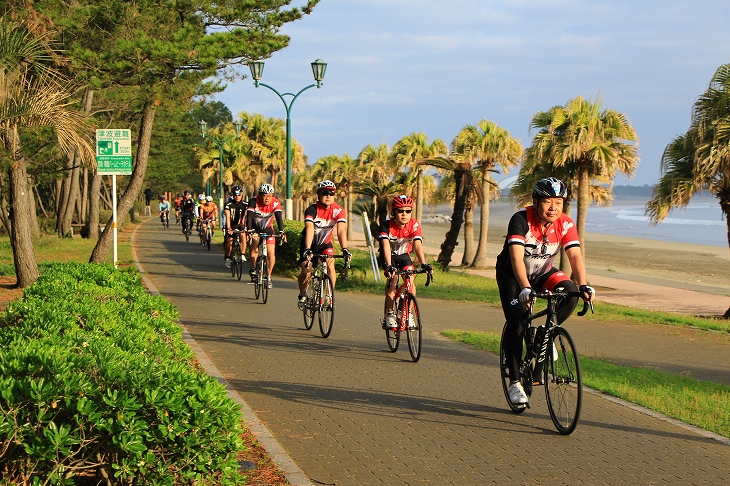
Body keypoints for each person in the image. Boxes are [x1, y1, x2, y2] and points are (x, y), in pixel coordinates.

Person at [496, 177, 594, 406]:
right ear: (536, 201)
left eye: (559, 202)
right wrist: (525, 288)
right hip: (512, 275)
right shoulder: (520, 220)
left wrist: (583, 285)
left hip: (543, 273)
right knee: (518, 322)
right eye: (548, 201)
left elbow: (575, 256)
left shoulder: (566, 223)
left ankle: (544, 335)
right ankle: (515, 382)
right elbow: (516, 257)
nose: (554, 207)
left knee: (569, 294)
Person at [378, 195, 432, 329]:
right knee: (394, 280)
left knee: (411, 283)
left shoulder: (414, 224)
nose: (404, 214)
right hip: (389, 256)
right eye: (401, 211)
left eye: (408, 211)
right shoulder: (386, 225)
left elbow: (418, 245)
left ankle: (407, 313)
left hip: (404, 256)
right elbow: (385, 245)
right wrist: (389, 266)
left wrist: (424, 263)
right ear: (394, 212)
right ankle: (390, 314)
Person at [297, 180, 351, 305]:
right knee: (306, 271)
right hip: (309, 243)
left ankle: (329, 296)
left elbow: (341, 230)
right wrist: (307, 248)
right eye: (325, 193)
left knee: (331, 266)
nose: (328, 196)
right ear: (318, 194)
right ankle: (303, 292)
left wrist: (345, 249)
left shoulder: (339, 210)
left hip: (325, 244)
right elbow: (310, 229)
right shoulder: (311, 210)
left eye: (331, 193)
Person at [246, 184, 287, 288]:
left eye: (269, 195)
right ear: (260, 195)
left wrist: (282, 231)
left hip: (268, 228)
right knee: (255, 241)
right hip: (255, 227)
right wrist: (249, 231)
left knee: (271, 252)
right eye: (264, 195)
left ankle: (268, 276)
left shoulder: (275, 202)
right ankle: (253, 268)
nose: (267, 198)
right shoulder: (253, 201)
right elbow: (249, 218)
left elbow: (278, 218)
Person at [223, 185, 248, 267]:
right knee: (229, 241)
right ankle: (228, 257)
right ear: (233, 195)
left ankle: (242, 254)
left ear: (242, 195)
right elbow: (227, 217)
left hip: (240, 225)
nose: (237, 197)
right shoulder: (228, 204)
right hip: (231, 225)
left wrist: (248, 228)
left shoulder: (245, 205)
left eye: (239, 195)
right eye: (235, 195)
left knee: (243, 235)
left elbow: (247, 217)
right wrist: (229, 228)